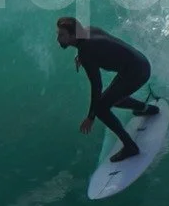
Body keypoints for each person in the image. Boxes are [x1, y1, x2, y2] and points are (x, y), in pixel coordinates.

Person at [57, 17, 158, 164]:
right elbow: (100, 45)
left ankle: (130, 147)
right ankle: (146, 108)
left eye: (61, 35)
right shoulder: (89, 31)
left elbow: (96, 86)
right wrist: (81, 54)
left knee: (101, 108)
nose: (58, 39)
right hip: (141, 62)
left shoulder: (86, 52)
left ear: (73, 36)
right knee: (109, 99)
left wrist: (91, 117)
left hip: (136, 73)